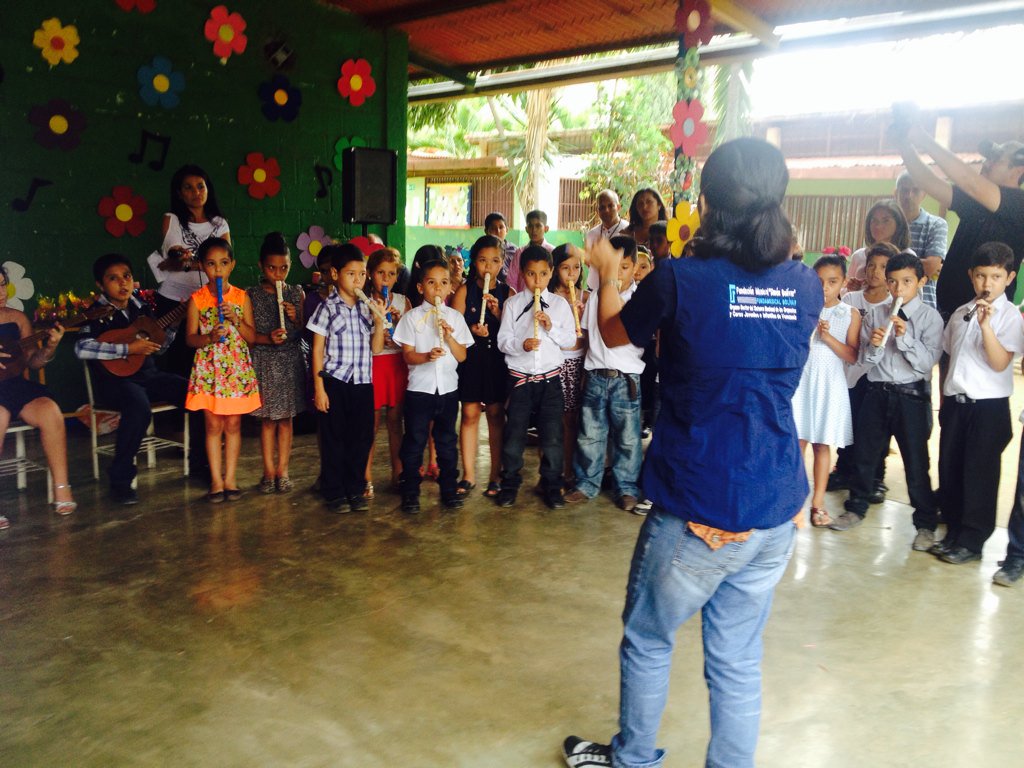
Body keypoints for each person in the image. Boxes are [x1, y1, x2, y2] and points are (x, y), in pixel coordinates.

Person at [561, 138, 822, 768]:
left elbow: (614, 331)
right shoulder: (805, 284)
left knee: (648, 638)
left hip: (700, 506)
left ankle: (632, 760)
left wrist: (603, 272)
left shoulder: (681, 278)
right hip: (774, 506)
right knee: (736, 658)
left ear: (704, 204)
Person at [830, 252, 943, 552]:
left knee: (916, 464)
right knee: (865, 454)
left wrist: (904, 338)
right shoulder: (877, 315)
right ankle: (856, 507)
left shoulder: (931, 318)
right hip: (877, 392)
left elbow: (925, 363)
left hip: (912, 397)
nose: (898, 289)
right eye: (893, 282)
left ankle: (925, 524)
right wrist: (877, 346)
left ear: (920, 282)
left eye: (906, 282)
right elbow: (865, 358)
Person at [931, 243, 1024, 565]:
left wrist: (986, 326)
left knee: (979, 477)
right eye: (982, 275)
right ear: (971, 276)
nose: (987, 284)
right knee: (952, 471)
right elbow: (949, 357)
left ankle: (972, 542)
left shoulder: (1010, 317)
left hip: (988, 409)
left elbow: (999, 363)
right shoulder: (960, 313)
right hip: (957, 404)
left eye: (996, 277)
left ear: (1009, 278)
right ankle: (954, 533)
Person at [74, 253, 187, 505]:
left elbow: (159, 348)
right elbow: (81, 349)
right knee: (138, 406)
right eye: (113, 279)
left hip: (149, 376)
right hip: (115, 383)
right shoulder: (94, 313)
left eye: (126, 276)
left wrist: (173, 325)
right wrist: (126, 350)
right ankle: (121, 480)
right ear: (100, 285)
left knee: (193, 392)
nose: (123, 283)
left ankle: (201, 463)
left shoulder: (141, 307)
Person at [891, 110, 1024, 321]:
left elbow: (969, 181)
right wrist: (904, 145)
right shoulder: (978, 201)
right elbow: (929, 183)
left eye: (996, 160)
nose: (986, 163)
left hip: (984, 320)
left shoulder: (1019, 204)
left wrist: (919, 135)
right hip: (949, 316)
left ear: (1018, 170)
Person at [148, 164, 230, 476]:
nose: (196, 192)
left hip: (210, 302)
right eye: (188, 187)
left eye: (201, 185)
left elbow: (225, 255)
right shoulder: (171, 219)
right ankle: (196, 452)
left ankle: (203, 453)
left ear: (208, 189)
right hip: (176, 303)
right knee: (186, 379)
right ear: (179, 193)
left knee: (209, 375)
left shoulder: (220, 222)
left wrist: (197, 261)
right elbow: (172, 255)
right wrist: (182, 258)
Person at [565, 236, 646, 513]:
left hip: (627, 380)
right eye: (612, 267)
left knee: (628, 438)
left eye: (624, 267)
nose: (617, 274)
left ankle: (626, 487)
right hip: (596, 375)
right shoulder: (596, 297)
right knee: (590, 434)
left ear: (635, 268)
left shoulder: (639, 299)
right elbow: (587, 336)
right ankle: (586, 483)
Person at [307, 244, 387, 514]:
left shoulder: (368, 308)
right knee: (334, 439)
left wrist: (379, 321)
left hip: (363, 383)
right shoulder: (327, 308)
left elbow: (376, 349)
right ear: (334, 274)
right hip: (335, 381)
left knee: (361, 438)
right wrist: (319, 388)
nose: (358, 280)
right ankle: (334, 491)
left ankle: (355, 489)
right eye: (351, 274)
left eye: (362, 274)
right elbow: (317, 350)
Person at [496, 245, 575, 510]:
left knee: (552, 436)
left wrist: (550, 327)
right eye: (531, 274)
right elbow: (503, 341)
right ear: (522, 274)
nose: (537, 280)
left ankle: (552, 484)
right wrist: (522, 344)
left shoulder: (560, 305)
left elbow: (570, 340)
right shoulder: (513, 304)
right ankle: (509, 484)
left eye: (543, 274)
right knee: (514, 435)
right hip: (521, 382)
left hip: (551, 381)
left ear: (551, 273)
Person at [393, 258, 473, 514]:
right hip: (420, 391)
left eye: (444, 283)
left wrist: (448, 336)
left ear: (451, 287)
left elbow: (462, 356)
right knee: (414, 442)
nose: (438, 288)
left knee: (447, 442)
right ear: (420, 288)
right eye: (431, 283)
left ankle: (449, 490)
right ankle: (411, 493)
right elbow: (407, 356)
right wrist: (427, 356)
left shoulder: (456, 318)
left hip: (448, 391)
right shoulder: (411, 318)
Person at [184, 237, 260, 502]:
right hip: (209, 371)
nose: (218, 270)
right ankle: (216, 481)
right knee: (213, 425)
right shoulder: (198, 299)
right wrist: (209, 338)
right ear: (202, 266)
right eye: (212, 264)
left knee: (233, 425)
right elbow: (190, 338)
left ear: (232, 265)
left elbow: (251, 337)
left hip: (236, 369)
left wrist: (235, 319)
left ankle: (231, 479)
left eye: (224, 264)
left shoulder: (241, 297)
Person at [0, 265, 76, 527]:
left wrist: (51, 347)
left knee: (50, 410)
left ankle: (62, 486)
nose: (0, 292)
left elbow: (34, 362)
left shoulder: (18, 319)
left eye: (1, 284)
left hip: (14, 385)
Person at [791, 255, 860, 527]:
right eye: (819, 282)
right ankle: (794, 502)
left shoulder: (849, 314)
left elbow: (852, 355)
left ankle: (817, 503)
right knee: (796, 443)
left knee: (822, 445)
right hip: (802, 382)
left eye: (832, 282)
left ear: (843, 282)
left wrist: (828, 337)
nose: (825, 288)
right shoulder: (802, 308)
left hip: (828, 385)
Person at [828, 243, 900, 497]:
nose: (875, 272)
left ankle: (875, 477)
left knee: (876, 430)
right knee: (848, 423)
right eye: (871, 265)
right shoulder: (850, 299)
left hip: (878, 376)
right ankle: (843, 470)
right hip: (851, 372)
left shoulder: (895, 305)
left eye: (883, 267)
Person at [246, 233, 305, 495]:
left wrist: (295, 318)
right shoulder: (251, 294)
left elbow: (304, 331)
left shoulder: (296, 292)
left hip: (289, 360)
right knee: (268, 420)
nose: (278, 274)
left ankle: (284, 471)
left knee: (286, 420)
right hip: (265, 362)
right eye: (272, 268)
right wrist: (267, 339)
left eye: (284, 268)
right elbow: (248, 334)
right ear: (261, 266)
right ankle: (268, 472)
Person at [453, 236, 511, 498]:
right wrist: (471, 329)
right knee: (469, 414)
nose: (489, 267)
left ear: (502, 263)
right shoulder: (465, 291)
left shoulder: (507, 293)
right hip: (473, 359)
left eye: (495, 261)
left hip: (497, 361)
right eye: (483, 261)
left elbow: (513, 331)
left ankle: (495, 475)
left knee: (497, 415)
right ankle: (468, 474)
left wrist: (499, 314)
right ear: (474, 262)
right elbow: (453, 327)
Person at [365, 247, 410, 494]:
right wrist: (378, 326)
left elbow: (412, 338)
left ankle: (399, 474)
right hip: (373, 366)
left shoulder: (403, 302)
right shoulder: (364, 301)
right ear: (370, 274)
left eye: (391, 274)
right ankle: (365, 478)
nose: (386, 278)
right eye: (381, 272)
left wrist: (399, 332)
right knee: (368, 426)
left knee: (395, 422)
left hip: (396, 365)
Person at [548, 244, 587, 490]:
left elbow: (589, 337)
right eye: (565, 268)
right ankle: (549, 472)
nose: (571, 274)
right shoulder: (548, 298)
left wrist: (579, 317)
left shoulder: (586, 297)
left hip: (577, 363)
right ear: (555, 270)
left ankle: (568, 470)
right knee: (551, 420)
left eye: (576, 268)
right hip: (553, 363)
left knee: (572, 419)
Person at [894, 171, 948, 310]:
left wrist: (891, 263)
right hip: (887, 304)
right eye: (904, 190)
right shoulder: (888, 225)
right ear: (896, 193)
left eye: (915, 190)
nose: (909, 195)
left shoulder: (936, 224)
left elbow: (931, 266)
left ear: (924, 194)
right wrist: (918, 264)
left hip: (924, 306)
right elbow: (878, 263)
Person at [844, 200, 912, 293]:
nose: (878, 226)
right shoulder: (859, 255)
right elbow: (843, 291)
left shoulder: (907, 256)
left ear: (898, 224)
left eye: (886, 221)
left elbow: (913, 295)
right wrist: (852, 288)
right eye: (874, 220)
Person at [505, 210, 554, 293]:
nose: (534, 230)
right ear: (526, 229)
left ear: (546, 228)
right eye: (530, 226)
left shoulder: (552, 251)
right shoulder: (520, 252)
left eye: (538, 226)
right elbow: (512, 281)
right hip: (522, 301)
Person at [484, 211, 519, 284]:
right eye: (493, 228)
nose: (498, 231)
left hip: (509, 289)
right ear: (486, 231)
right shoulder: (481, 249)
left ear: (507, 230)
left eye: (501, 227)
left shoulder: (515, 251)